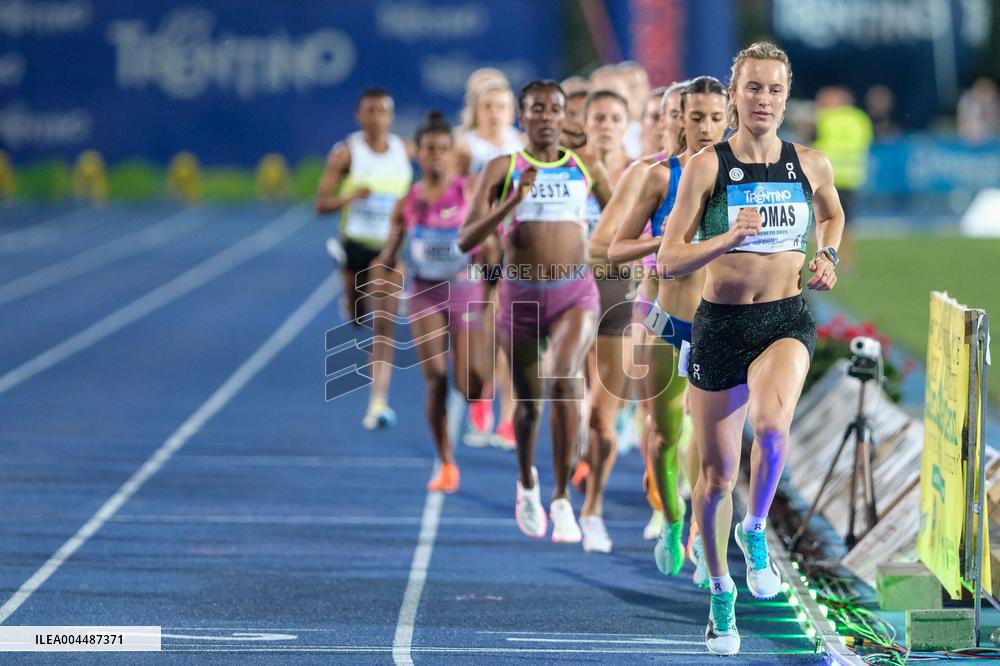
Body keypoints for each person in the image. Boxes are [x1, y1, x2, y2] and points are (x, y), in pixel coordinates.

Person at [658, 42, 844, 656]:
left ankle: (756, 526)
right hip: (720, 325)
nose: (764, 100)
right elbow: (669, 257)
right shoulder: (709, 168)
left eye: (775, 90)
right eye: (753, 88)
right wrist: (726, 239)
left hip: (784, 320)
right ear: (734, 95)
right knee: (714, 476)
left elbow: (834, 217)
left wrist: (827, 255)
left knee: (770, 428)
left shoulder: (810, 164)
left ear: (787, 97)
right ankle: (720, 593)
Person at [459, 80, 611, 543]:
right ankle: (527, 482)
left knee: (565, 381)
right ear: (522, 116)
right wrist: (512, 201)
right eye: (536, 109)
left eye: (554, 109)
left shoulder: (586, 167)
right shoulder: (503, 167)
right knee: (528, 408)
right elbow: (465, 238)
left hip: (574, 294)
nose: (545, 116)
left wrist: (622, 253)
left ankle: (563, 498)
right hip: (519, 296)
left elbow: (621, 216)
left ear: (565, 117)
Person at [608, 76, 728, 584]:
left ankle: (704, 540)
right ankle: (672, 521)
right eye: (694, 116)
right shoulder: (662, 178)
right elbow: (615, 248)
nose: (703, 127)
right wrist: (660, 249)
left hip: (720, 328)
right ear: (677, 118)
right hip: (667, 324)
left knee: (712, 446)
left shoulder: (746, 178)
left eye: (714, 118)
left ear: (730, 119)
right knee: (662, 436)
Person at [587, 82, 685, 542]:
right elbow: (602, 248)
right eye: (663, 114)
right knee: (658, 416)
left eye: (697, 113)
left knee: (703, 423)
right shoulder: (644, 173)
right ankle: (666, 506)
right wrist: (658, 248)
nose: (682, 122)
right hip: (651, 303)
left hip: (715, 309)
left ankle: (695, 521)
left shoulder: (728, 168)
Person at [377, 112, 487, 493]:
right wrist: (382, 268)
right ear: (418, 154)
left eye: (443, 149)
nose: (436, 156)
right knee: (435, 378)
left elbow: (488, 244)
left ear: (452, 154)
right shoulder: (408, 201)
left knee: (469, 384)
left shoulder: (468, 193)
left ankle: (473, 373)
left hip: (464, 290)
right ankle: (445, 462)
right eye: (429, 150)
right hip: (424, 293)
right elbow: (390, 253)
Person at [315, 88, 412, 430]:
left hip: (389, 250)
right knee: (359, 316)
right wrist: (350, 197)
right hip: (354, 246)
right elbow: (320, 203)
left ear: (391, 116)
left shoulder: (403, 151)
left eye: (383, 111)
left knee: (383, 324)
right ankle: (351, 301)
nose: (376, 118)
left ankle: (378, 401)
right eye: (369, 111)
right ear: (359, 116)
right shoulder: (346, 154)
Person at [576, 89, 632, 552]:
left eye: (616, 117)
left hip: (620, 298)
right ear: (587, 122)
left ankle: (592, 509)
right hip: (570, 296)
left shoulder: (641, 171)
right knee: (572, 405)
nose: (607, 125)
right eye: (599, 117)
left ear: (626, 123)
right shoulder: (567, 169)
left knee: (603, 419)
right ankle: (568, 465)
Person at [455, 77, 523, 446]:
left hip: (512, 248)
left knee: (509, 332)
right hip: (475, 249)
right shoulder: (465, 146)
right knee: (480, 331)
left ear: (512, 112)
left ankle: (508, 418)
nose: (495, 114)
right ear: (476, 110)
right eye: (488, 107)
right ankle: (480, 401)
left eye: (501, 107)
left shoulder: (522, 146)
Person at [813, 86, 871, 269]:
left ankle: (820, 259)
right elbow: (865, 142)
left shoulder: (825, 118)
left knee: (822, 220)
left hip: (827, 178)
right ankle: (846, 262)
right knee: (847, 222)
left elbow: (812, 142)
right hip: (852, 177)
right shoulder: (860, 119)